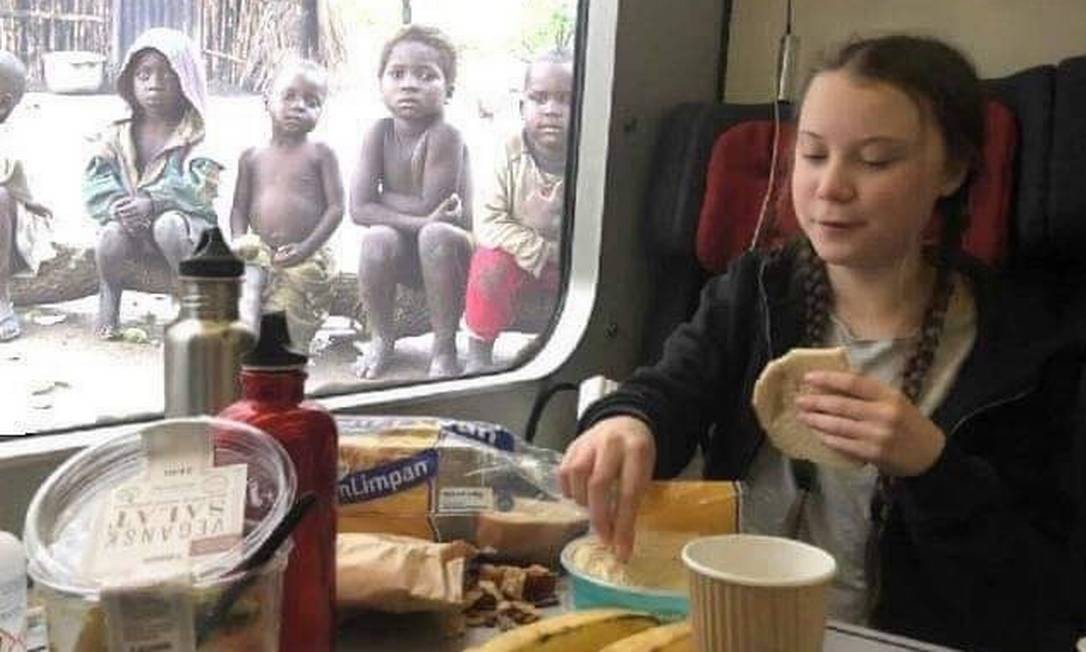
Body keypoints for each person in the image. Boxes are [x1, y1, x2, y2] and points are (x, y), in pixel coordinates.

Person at [558, 35, 1086, 650]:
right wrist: (627, 422)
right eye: (812, 154)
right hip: (735, 624)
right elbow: (668, 391)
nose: (831, 187)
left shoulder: (1027, 347)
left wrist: (933, 467)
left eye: (875, 161)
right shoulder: (756, 291)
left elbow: (1044, 592)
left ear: (951, 171)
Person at [350, 24, 473, 379]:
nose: (409, 84)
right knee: (376, 239)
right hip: (404, 250)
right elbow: (358, 209)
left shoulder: (445, 135)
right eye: (397, 74)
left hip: (451, 256)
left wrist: (382, 199)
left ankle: (444, 346)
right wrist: (416, 216)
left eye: (426, 76)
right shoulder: (378, 133)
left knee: (435, 235)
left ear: (448, 90)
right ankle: (382, 338)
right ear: (381, 83)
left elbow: (432, 209)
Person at [83, 28, 223, 338]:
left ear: (187, 81)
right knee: (109, 236)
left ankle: (190, 303)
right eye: (143, 75)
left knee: (168, 226)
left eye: (168, 75)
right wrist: (117, 206)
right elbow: (96, 179)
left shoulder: (196, 135)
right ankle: (109, 296)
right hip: (132, 227)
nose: (155, 84)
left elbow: (201, 190)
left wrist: (153, 201)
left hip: (185, 230)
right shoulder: (117, 133)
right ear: (129, 82)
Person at [463, 50, 573, 373]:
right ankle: (478, 353)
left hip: (572, 264)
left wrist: (565, 257)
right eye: (539, 98)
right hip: (519, 257)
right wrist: (541, 251)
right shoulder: (506, 152)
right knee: (489, 264)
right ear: (521, 106)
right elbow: (488, 223)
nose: (551, 109)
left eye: (565, 99)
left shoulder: (591, 155)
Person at [229, 59, 343, 352]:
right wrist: (240, 242)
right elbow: (239, 208)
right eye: (289, 96)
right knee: (247, 290)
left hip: (306, 255)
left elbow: (336, 209)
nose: (299, 106)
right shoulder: (251, 156)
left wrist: (305, 248)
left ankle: (275, 349)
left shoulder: (320, 154)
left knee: (284, 322)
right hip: (260, 251)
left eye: (312, 102)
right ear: (267, 100)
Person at [0, 50, 53, 341]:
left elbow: (29, 196)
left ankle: (1, 299)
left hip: (13, 235)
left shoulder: (12, 143)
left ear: (2, 104)